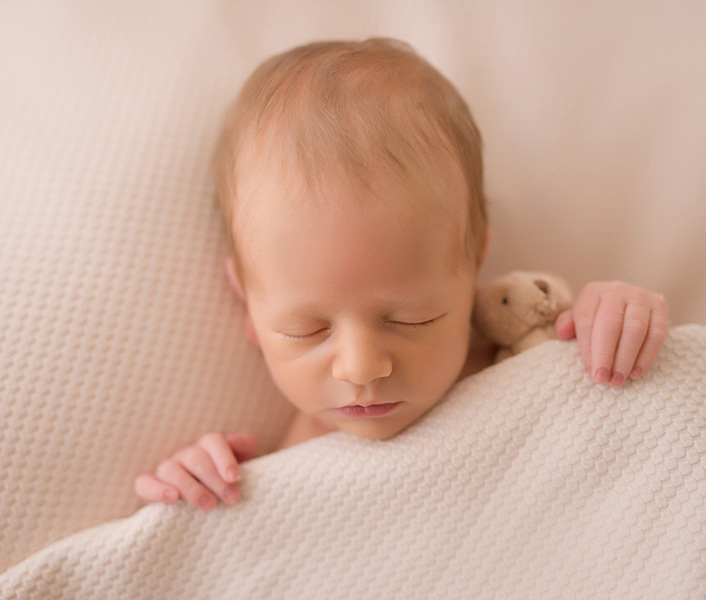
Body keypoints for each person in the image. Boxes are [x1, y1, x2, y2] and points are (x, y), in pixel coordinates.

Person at [134, 38, 669, 512]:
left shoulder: (507, 355)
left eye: (413, 318)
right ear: (247, 304)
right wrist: (202, 482)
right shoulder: (284, 458)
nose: (363, 366)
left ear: (472, 267)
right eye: (307, 329)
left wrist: (613, 319)